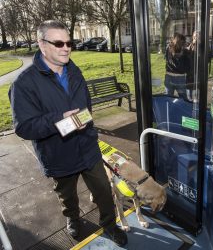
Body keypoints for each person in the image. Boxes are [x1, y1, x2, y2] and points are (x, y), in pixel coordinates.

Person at [8, 20, 127, 247]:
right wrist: (57, 121)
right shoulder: (24, 84)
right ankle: (72, 217)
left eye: (69, 42)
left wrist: (84, 120)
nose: (67, 48)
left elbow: (85, 106)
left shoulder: (74, 70)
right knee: (67, 195)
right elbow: (23, 127)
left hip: (87, 146)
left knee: (103, 189)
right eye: (59, 43)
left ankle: (110, 224)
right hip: (58, 154)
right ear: (42, 45)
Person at [164, 32, 190, 99]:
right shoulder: (169, 49)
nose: (184, 44)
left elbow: (186, 67)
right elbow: (184, 67)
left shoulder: (184, 51)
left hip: (174, 77)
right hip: (174, 77)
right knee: (171, 99)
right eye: (183, 42)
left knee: (171, 99)